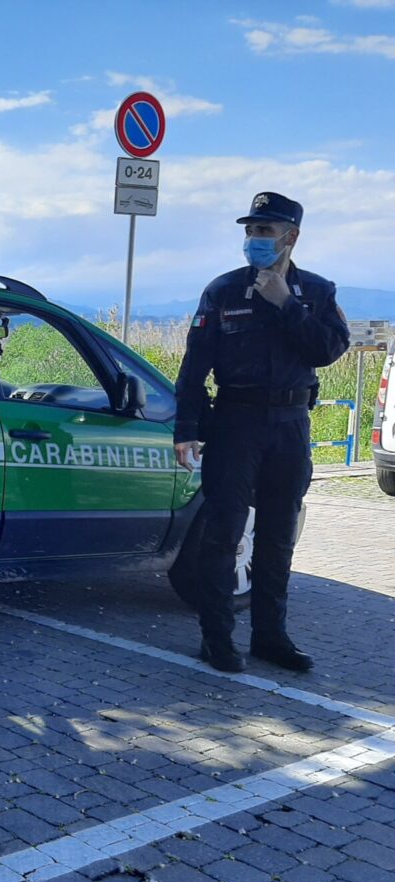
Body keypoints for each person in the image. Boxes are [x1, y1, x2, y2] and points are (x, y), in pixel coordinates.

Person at [173, 192, 349, 674]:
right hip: (236, 422)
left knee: (276, 537)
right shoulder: (224, 291)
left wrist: (287, 304)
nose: (254, 240)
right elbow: (194, 367)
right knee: (224, 534)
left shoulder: (316, 292)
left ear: (290, 237)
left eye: (264, 231)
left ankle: (271, 637)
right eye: (250, 231)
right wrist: (185, 429)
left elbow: (327, 350)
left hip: (291, 426)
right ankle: (217, 639)